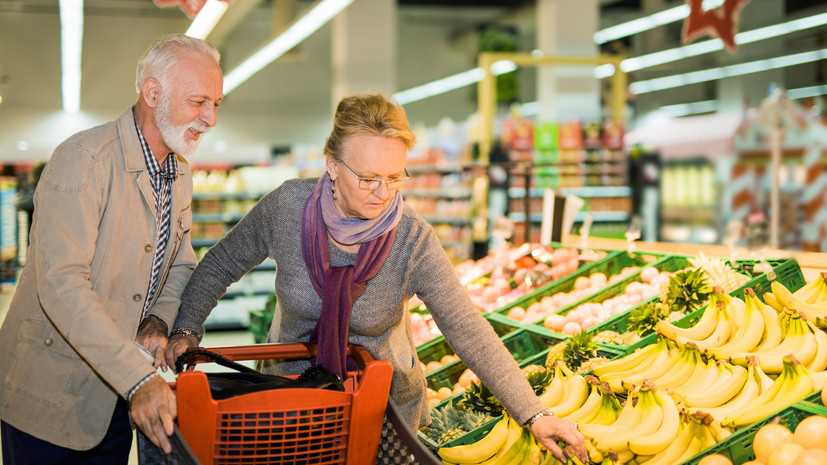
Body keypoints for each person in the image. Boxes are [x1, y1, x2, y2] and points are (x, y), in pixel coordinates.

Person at [165, 93, 587, 463]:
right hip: (288, 398)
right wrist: (186, 327)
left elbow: (467, 327)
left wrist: (533, 413)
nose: (382, 194)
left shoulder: (411, 237)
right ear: (331, 165)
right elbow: (221, 262)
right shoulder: (287, 209)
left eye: (394, 178)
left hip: (386, 414)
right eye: (367, 179)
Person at [0, 33, 223, 464]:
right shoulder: (85, 159)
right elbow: (61, 284)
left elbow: (180, 261)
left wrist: (157, 320)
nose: (210, 117)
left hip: (114, 401)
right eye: (199, 102)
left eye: (216, 103)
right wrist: (139, 379)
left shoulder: (179, 173)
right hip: (48, 395)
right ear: (152, 93)